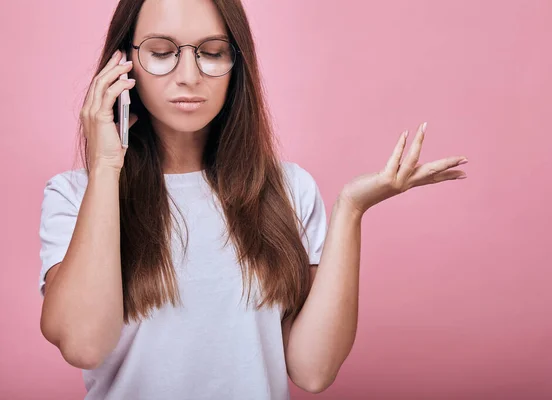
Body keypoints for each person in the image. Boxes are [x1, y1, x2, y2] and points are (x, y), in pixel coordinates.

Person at [38, 0, 468, 399]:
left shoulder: (287, 189)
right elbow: (83, 344)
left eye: (211, 51)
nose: (189, 75)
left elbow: (313, 370)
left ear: (235, 62)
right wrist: (107, 167)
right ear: (123, 64)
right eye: (161, 50)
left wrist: (351, 209)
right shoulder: (77, 195)